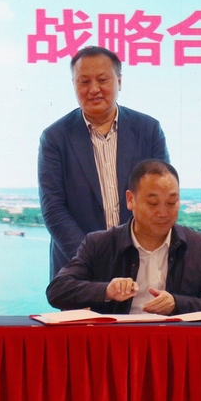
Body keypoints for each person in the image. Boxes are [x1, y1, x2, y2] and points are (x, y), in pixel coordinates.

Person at [38, 46, 168, 278]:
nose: (94, 89)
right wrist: (93, 261)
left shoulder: (148, 130)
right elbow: (53, 209)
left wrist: (134, 256)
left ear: (119, 81)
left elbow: (160, 197)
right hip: (77, 271)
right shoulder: (55, 137)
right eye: (84, 81)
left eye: (102, 80)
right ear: (74, 85)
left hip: (141, 266)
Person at [46, 159, 201, 314]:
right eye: (153, 203)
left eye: (171, 202)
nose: (163, 213)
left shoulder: (199, 246)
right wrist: (106, 290)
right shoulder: (99, 244)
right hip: (117, 338)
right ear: (130, 200)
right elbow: (57, 290)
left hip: (172, 338)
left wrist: (176, 304)